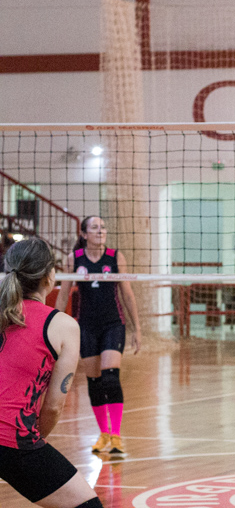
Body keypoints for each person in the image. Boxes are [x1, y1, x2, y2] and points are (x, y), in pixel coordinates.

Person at [0, 238, 103, 508]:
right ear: (49, 276)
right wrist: (35, 441)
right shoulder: (63, 326)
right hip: (12, 438)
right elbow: (54, 407)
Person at [55, 216, 140, 454]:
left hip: (113, 324)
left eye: (103, 227)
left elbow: (127, 294)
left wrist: (137, 329)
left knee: (110, 377)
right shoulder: (74, 259)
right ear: (84, 234)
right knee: (94, 381)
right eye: (95, 228)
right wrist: (52, 325)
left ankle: (117, 436)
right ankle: (104, 433)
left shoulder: (115, 257)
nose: (100, 231)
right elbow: (63, 294)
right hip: (87, 326)